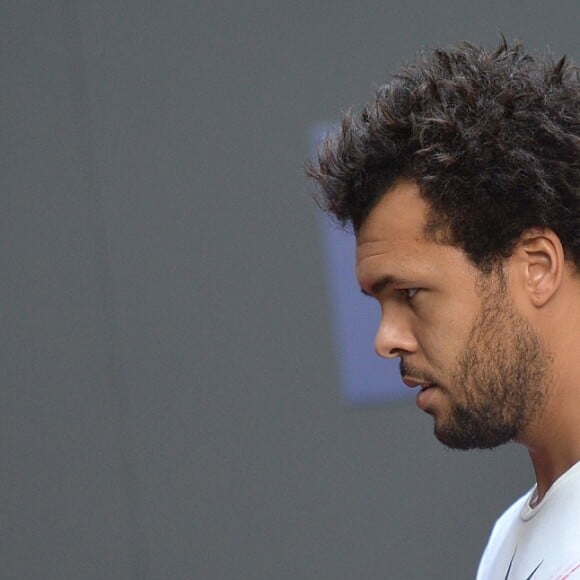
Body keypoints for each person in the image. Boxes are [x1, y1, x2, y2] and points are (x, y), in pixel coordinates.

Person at [307, 38, 580, 578]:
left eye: (410, 294)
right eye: (379, 302)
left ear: (537, 266)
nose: (386, 339)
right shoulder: (508, 537)